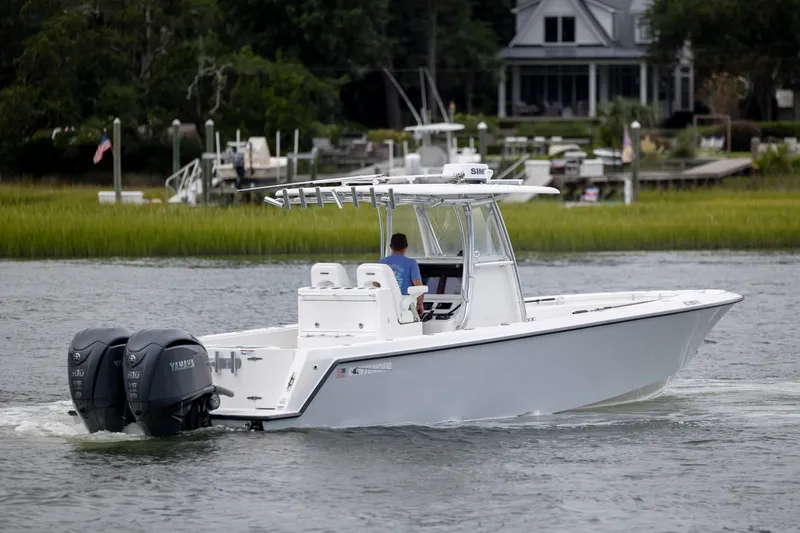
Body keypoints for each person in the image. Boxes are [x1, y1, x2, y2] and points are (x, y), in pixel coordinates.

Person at [379, 233, 424, 316]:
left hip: (386, 304)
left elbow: (376, 284)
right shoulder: (411, 263)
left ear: (390, 246)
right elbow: (419, 287)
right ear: (406, 246)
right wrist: (420, 304)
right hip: (404, 307)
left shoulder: (382, 262)